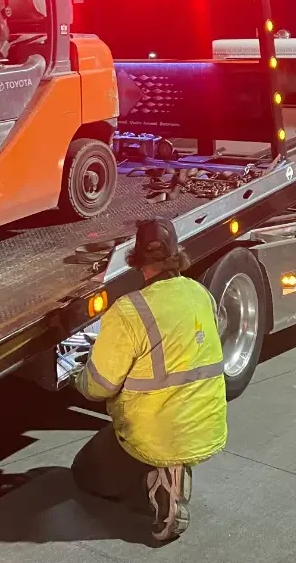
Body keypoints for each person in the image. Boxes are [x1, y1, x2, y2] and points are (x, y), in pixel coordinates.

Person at [73, 217, 227, 542]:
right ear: (176, 254)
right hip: (205, 428)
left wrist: (79, 375)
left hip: (155, 435)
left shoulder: (129, 311)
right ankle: (173, 468)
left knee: (84, 471)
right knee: (155, 433)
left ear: (136, 259)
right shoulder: (200, 294)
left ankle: (160, 482)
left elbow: (98, 385)